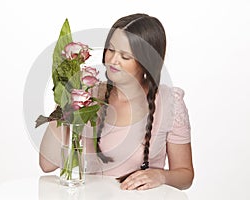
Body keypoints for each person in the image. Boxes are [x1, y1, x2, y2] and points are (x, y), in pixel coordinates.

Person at [39, 13, 194, 190]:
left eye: (125, 56)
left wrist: (160, 175)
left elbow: (185, 175)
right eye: (111, 50)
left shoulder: (170, 103)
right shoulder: (89, 95)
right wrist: (65, 99)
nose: (113, 60)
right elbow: (47, 164)